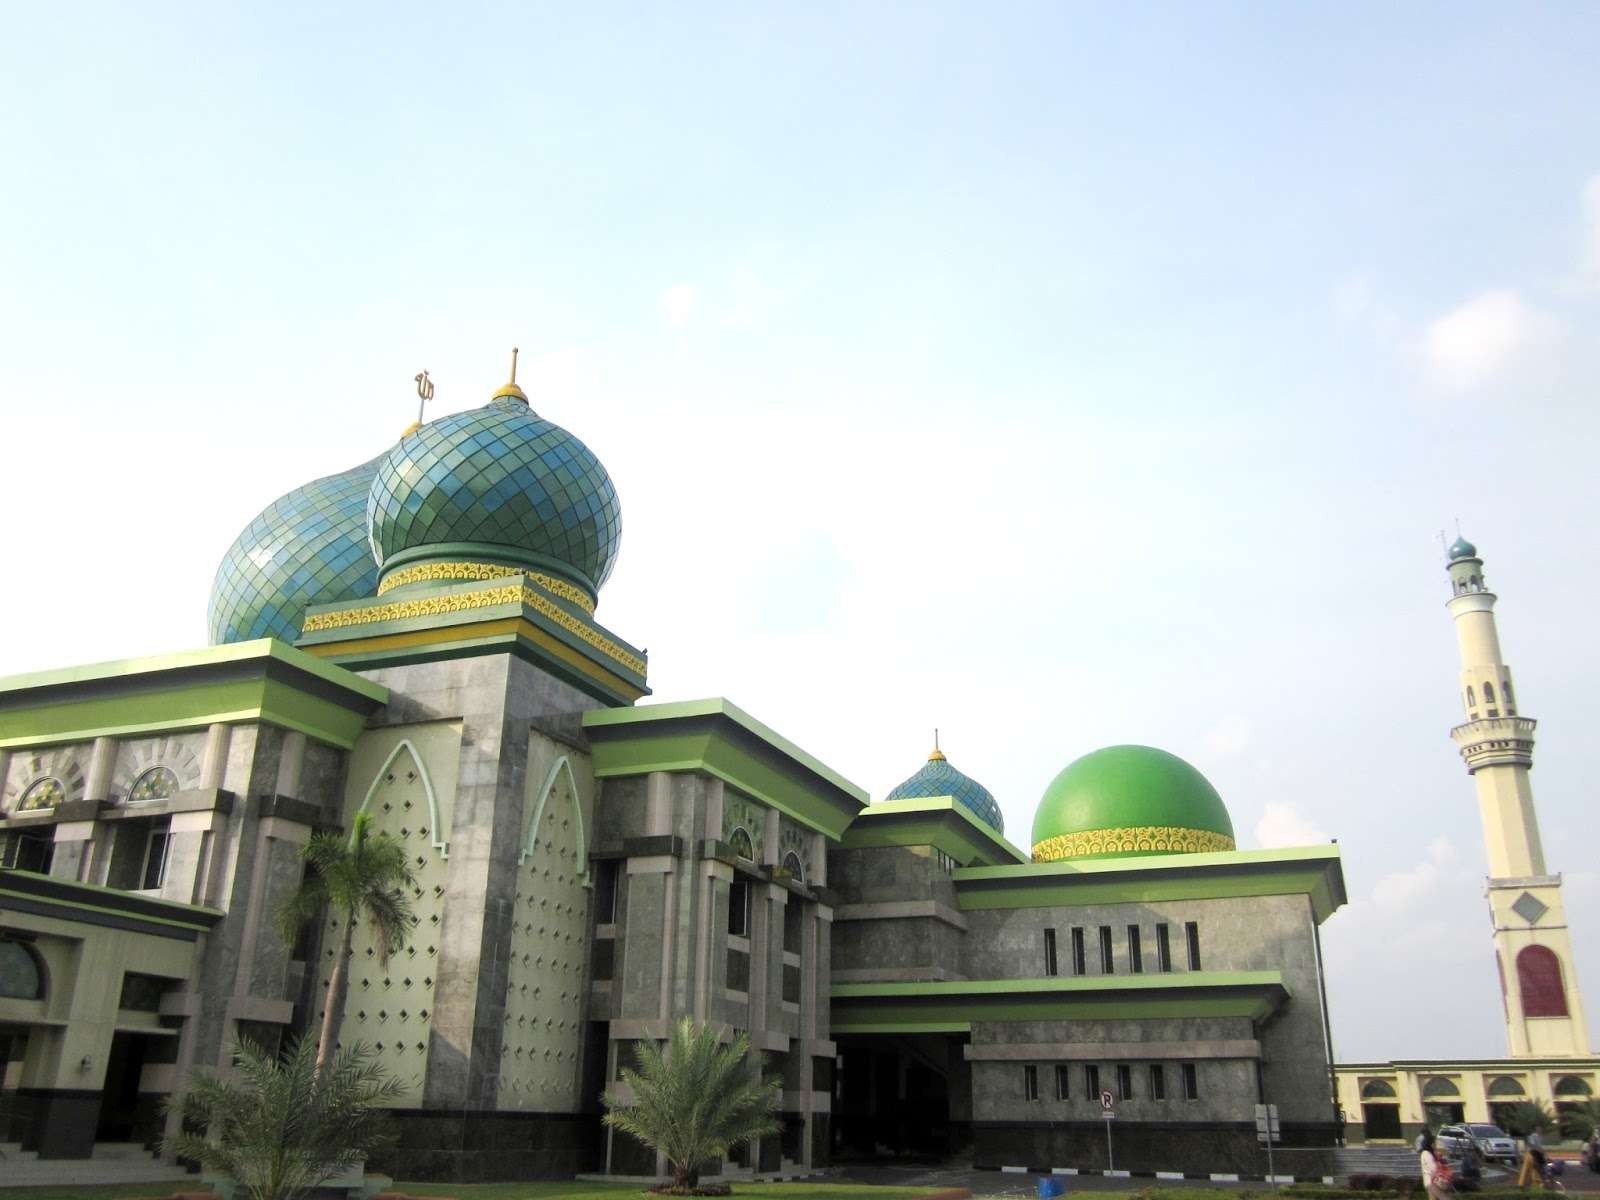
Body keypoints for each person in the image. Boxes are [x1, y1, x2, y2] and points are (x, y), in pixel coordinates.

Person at [1420, 1129, 1453, 1200]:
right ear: (1431, 1144)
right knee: (1445, 1198)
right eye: (1434, 1143)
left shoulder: (1430, 1153)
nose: (1435, 1145)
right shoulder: (1426, 1154)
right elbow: (1433, 1168)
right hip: (1433, 1182)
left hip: (1432, 1181)